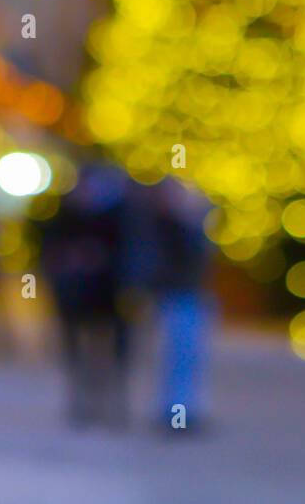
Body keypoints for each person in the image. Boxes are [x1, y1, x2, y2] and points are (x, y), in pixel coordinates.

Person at [41, 162, 134, 426]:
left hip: (110, 297)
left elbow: (128, 255)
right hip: (75, 297)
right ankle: (83, 405)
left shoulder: (117, 218)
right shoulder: (64, 218)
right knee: (78, 352)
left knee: (112, 353)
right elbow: (49, 252)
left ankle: (112, 405)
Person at [148, 180, 213, 430]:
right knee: (177, 357)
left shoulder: (183, 226)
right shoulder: (166, 227)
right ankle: (176, 414)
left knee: (189, 358)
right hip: (176, 297)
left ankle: (186, 411)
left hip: (190, 296)